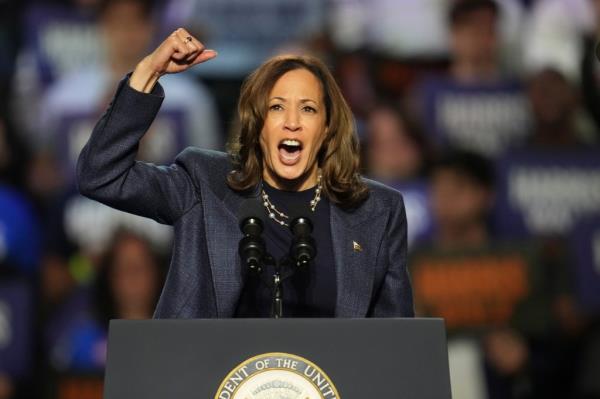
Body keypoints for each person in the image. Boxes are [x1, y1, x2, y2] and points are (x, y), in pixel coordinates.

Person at [76, 28, 414, 318]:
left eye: (308, 109)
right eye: (276, 107)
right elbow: (102, 174)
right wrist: (149, 72)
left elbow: (393, 345)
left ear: (327, 128)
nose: (292, 122)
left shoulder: (377, 211)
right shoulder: (203, 185)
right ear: (257, 124)